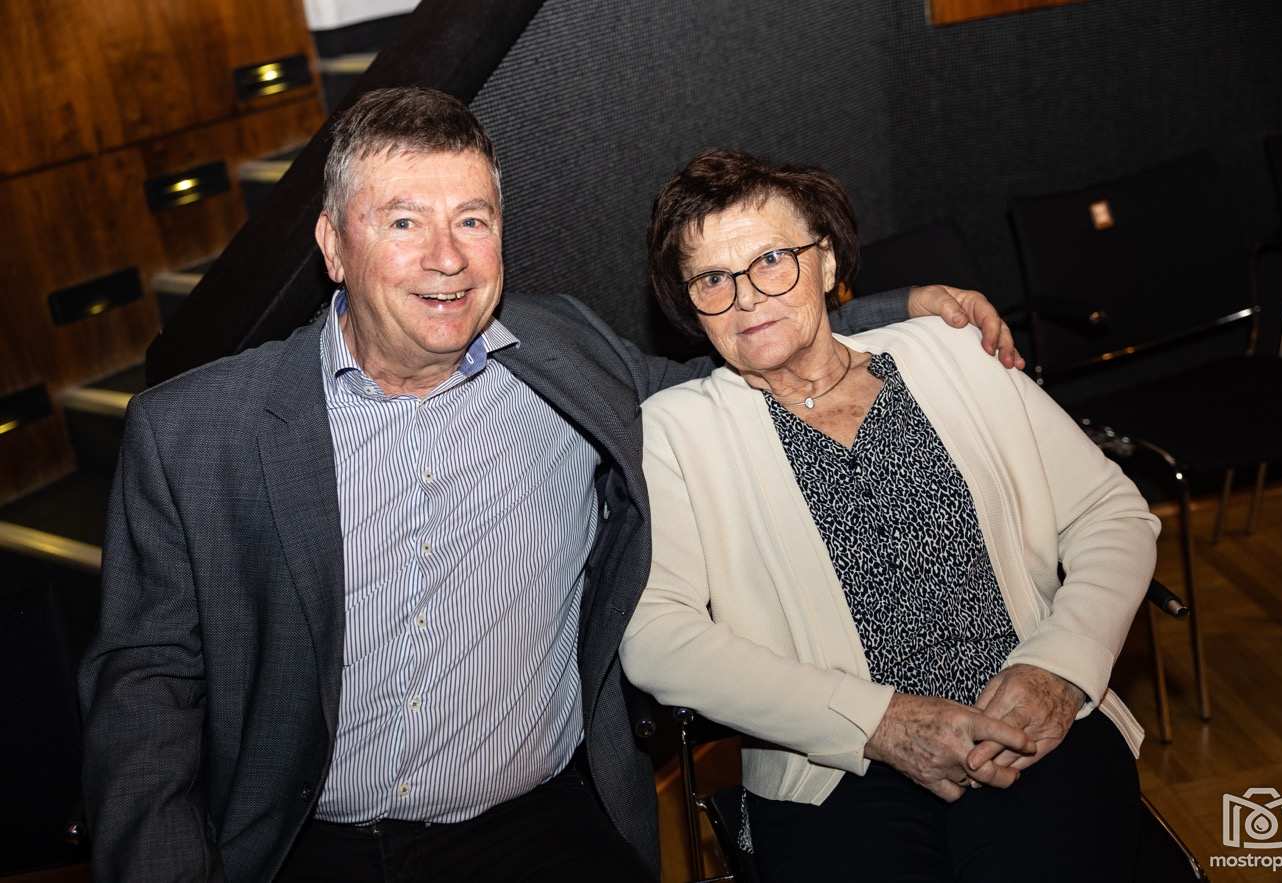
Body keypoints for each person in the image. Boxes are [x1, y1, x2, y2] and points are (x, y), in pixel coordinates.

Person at [78, 89, 1020, 882]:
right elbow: (146, 692)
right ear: (333, 245)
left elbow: (722, 367)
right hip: (312, 847)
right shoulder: (196, 431)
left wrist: (904, 311)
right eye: (403, 222)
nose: (447, 257)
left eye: (473, 220)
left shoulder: (564, 354)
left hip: (544, 830)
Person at [620, 149, 1161, 882]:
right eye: (712, 279)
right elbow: (657, 637)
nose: (746, 298)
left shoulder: (952, 353)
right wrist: (880, 721)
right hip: (833, 768)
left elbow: (1110, 512)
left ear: (825, 261)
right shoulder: (675, 431)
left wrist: (1059, 668)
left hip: (1025, 717)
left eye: (771, 260)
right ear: (689, 304)